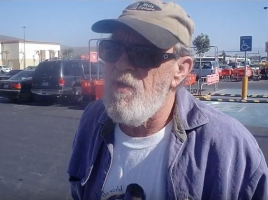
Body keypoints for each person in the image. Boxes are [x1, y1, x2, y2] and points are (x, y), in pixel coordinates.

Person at [67, 1, 268, 200]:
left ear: (180, 70)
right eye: (112, 49)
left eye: (143, 54)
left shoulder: (229, 147)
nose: (121, 63)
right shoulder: (91, 120)